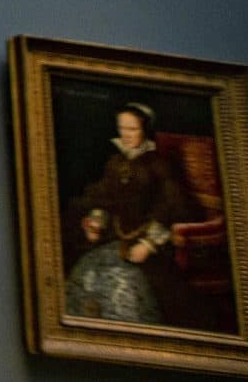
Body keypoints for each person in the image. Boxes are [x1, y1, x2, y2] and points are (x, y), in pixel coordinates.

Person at [62, 101, 195, 323]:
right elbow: (104, 198)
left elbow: (172, 208)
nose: (126, 134)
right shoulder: (115, 162)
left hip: (152, 247)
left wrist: (148, 244)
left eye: (132, 129)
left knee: (126, 285)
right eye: (122, 128)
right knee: (89, 273)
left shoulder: (159, 165)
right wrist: (97, 222)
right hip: (117, 239)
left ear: (145, 130)